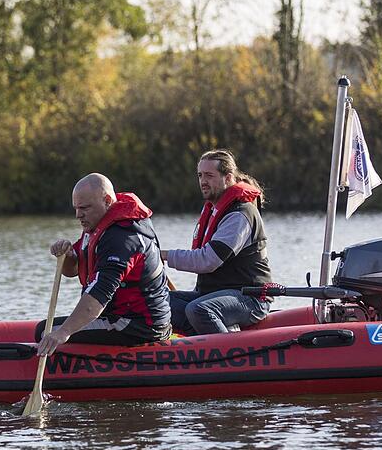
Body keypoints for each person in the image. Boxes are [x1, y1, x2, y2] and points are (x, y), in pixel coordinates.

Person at [36, 173, 171, 356]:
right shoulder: (97, 225)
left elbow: (98, 296)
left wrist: (63, 333)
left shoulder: (122, 238)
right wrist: (67, 256)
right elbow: (73, 270)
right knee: (46, 329)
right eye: (76, 208)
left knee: (45, 332)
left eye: (84, 208)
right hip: (117, 315)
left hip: (136, 325)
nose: (78, 215)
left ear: (107, 200)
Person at [161, 149, 272, 335]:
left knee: (200, 310)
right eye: (200, 175)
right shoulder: (214, 210)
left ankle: (229, 356)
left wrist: (163, 255)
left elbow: (208, 260)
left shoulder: (240, 214)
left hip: (250, 297)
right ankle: (195, 347)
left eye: (209, 176)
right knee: (156, 301)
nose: (203, 181)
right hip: (215, 293)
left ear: (228, 178)